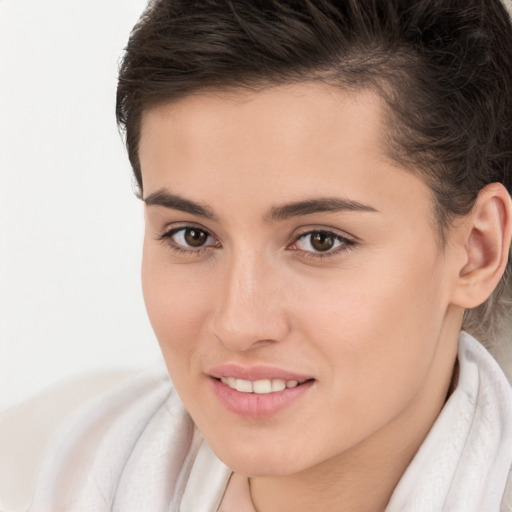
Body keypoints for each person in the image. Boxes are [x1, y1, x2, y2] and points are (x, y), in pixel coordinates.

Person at [18, 0, 512, 510]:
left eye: (320, 240)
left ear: (477, 250)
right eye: (191, 235)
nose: (238, 322)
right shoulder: (34, 471)